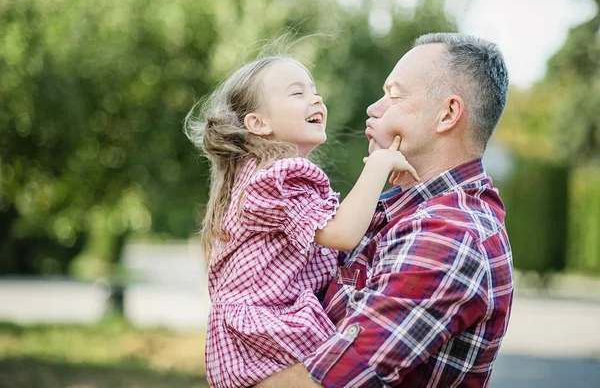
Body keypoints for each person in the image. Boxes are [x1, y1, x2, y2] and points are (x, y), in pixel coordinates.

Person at [257, 33, 514, 388]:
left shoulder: (447, 236)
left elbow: (326, 382)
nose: (374, 108)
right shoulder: (399, 213)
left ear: (448, 114)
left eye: (394, 95)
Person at [185, 52, 419, 388]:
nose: (316, 99)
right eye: (298, 94)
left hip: (249, 334)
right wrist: (378, 164)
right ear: (258, 124)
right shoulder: (278, 177)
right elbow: (342, 234)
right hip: (268, 328)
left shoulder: (260, 175)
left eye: (314, 91)